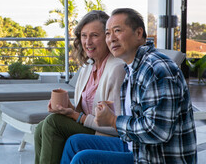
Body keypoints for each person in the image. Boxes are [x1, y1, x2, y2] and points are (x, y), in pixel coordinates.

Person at [61, 8, 197, 164]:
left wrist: (113, 121)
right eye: (107, 33)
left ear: (139, 33)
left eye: (117, 31)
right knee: (75, 142)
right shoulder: (132, 69)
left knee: (83, 160)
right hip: (136, 147)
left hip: (157, 157)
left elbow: (158, 131)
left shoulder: (156, 69)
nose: (111, 38)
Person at [34, 10, 126, 164]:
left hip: (106, 134)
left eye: (94, 36)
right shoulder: (87, 67)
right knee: (40, 128)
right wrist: (68, 109)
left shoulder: (117, 69)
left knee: (53, 123)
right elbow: (83, 112)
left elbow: (116, 124)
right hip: (88, 125)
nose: (87, 42)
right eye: (84, 35)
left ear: (107, 37)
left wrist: (76, 116)